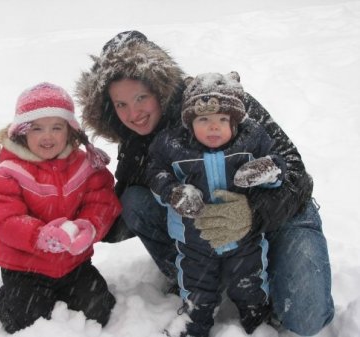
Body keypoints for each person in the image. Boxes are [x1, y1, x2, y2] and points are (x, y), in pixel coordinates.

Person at [75, 31, 334, 336]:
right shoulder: (138, 143)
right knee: (134, 200)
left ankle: (266, 272)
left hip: (279, 218)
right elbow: (123, 217)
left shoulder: (222, 101)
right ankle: (202, 279)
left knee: (306, 318)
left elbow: (295, 173)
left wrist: (253, 214)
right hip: (201, 241)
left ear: (160, 87)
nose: (133, 113)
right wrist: (70, 205)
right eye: (121, 104)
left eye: (141, 97)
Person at [147, 71, 287, 336]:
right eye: (204, 119)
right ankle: (194, 324)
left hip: (245, 239)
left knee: (250, 284)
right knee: (197, 290)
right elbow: (155, 173)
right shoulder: (173, 146)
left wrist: (267, 170)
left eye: (223, 119)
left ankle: (257, 320)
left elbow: (279, 164)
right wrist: (173, 192)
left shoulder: (252, 139)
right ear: (189, 122)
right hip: (194, 241)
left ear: (235, 121)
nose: (214, 127)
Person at [0, 82, 121, 334]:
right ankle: (4, 299)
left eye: (56, 127)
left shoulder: (85, 165)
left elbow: (102, 201)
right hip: (24, 268)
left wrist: (89, 227)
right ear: (22, 132)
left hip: (73, 264)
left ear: (69, 132)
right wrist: (39, 236)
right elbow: (5, 219)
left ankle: (66, 292)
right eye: (37, 128)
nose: (47, 136)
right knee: (26, 320)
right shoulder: (9, 172)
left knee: (99, 310)